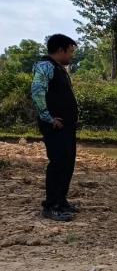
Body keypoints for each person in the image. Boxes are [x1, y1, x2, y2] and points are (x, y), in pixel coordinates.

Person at [31, 34, 78, 222]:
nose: (72, 55)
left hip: (66, 127)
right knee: (58, 164)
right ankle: (51, 206)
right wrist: (48, 117)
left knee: (68, 163)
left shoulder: (59, 68)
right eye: (70, 51)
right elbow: (37, 91)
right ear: (60, 50)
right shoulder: (45, 66)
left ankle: (61, 201)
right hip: (55, 126)